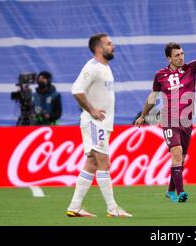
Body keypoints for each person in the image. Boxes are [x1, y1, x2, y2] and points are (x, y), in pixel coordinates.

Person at [135, 27, 196, 203]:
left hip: (186, 121)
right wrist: (143, 115)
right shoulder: (160, 75)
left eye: (182, 54)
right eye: (177, 55)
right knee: (176, 152)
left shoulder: (190, 68)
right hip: (169, 119)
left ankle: (170, 191)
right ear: (169, 58)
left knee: (181, 158)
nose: (181, 57)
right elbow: (153, 96)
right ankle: (181, 192)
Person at [66, 33, 132, 217]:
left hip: (101, 124)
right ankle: (113, 208)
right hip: (95, 124)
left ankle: (74, 207)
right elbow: (76, 90)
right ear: (98, 48)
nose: (113, 46)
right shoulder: (92, 67)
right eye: (109, 44)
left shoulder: (104, 67)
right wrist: (92, 110)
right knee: (104, 163)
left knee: (92, 163)